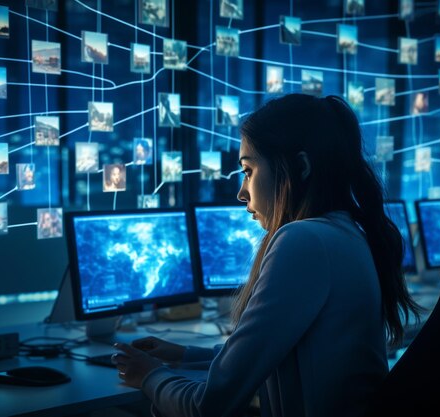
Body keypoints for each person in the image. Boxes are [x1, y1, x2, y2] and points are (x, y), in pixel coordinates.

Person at [113, 94, 422, 417]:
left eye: (248, 170)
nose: (241, 192)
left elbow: (208, 407)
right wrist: (184, 354)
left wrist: (149, 375)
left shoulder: (303, 240)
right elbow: (270, 355)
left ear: (299, 167)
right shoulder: (345, 232)